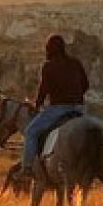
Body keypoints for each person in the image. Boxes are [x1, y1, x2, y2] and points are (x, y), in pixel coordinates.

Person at [21, 34, 89, 176]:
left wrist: (36, 105)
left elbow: (43, 90)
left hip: (58, 109)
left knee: (31, 132)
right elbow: (85, 85)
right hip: (79, 109)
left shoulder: (48, 66)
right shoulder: (75, 63)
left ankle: (27, 167)